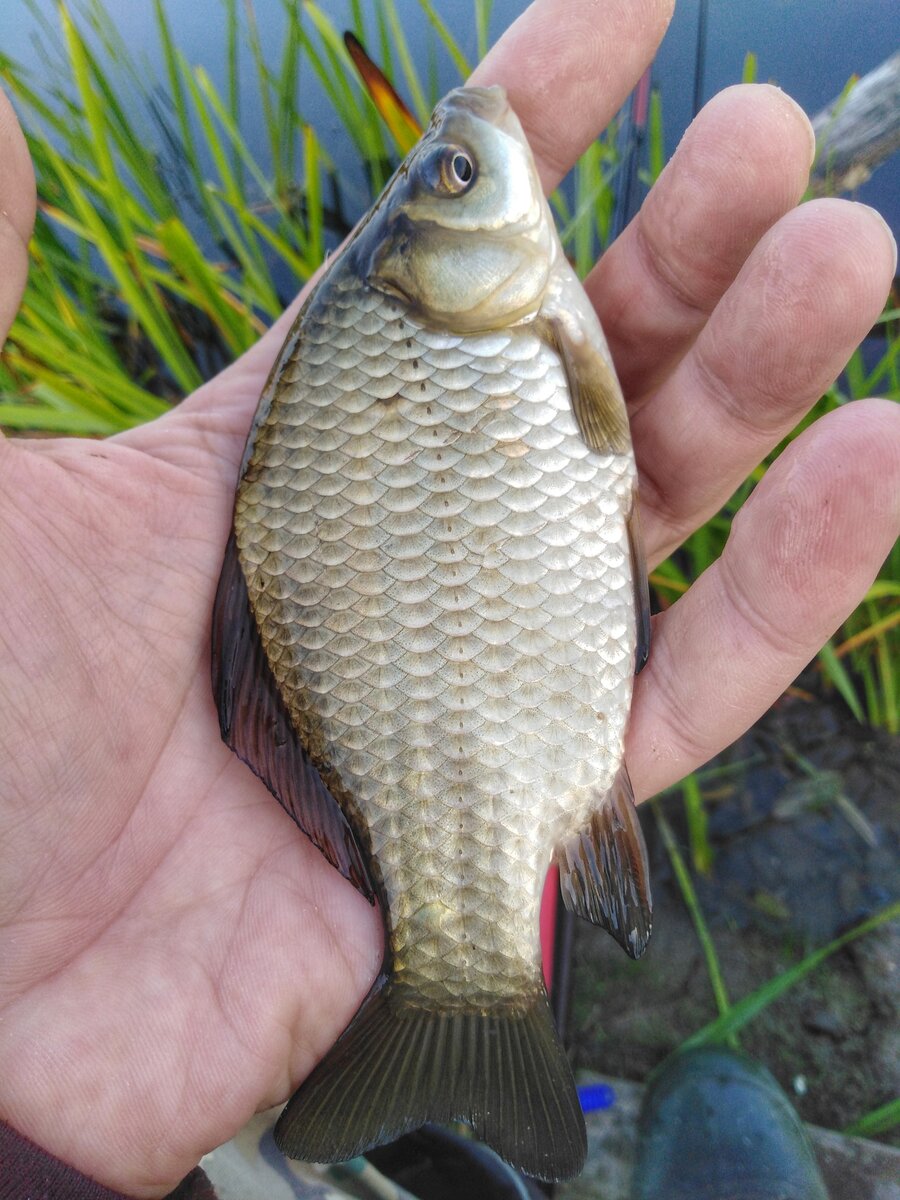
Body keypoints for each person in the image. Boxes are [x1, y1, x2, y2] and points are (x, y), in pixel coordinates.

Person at [0, 1, 897, 1196]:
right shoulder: (454, 324)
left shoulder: (412, 322)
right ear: (425, 259)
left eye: (452, 173)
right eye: (459, 175)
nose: (472, 161)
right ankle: (468, 1000)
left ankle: (457, 1036)